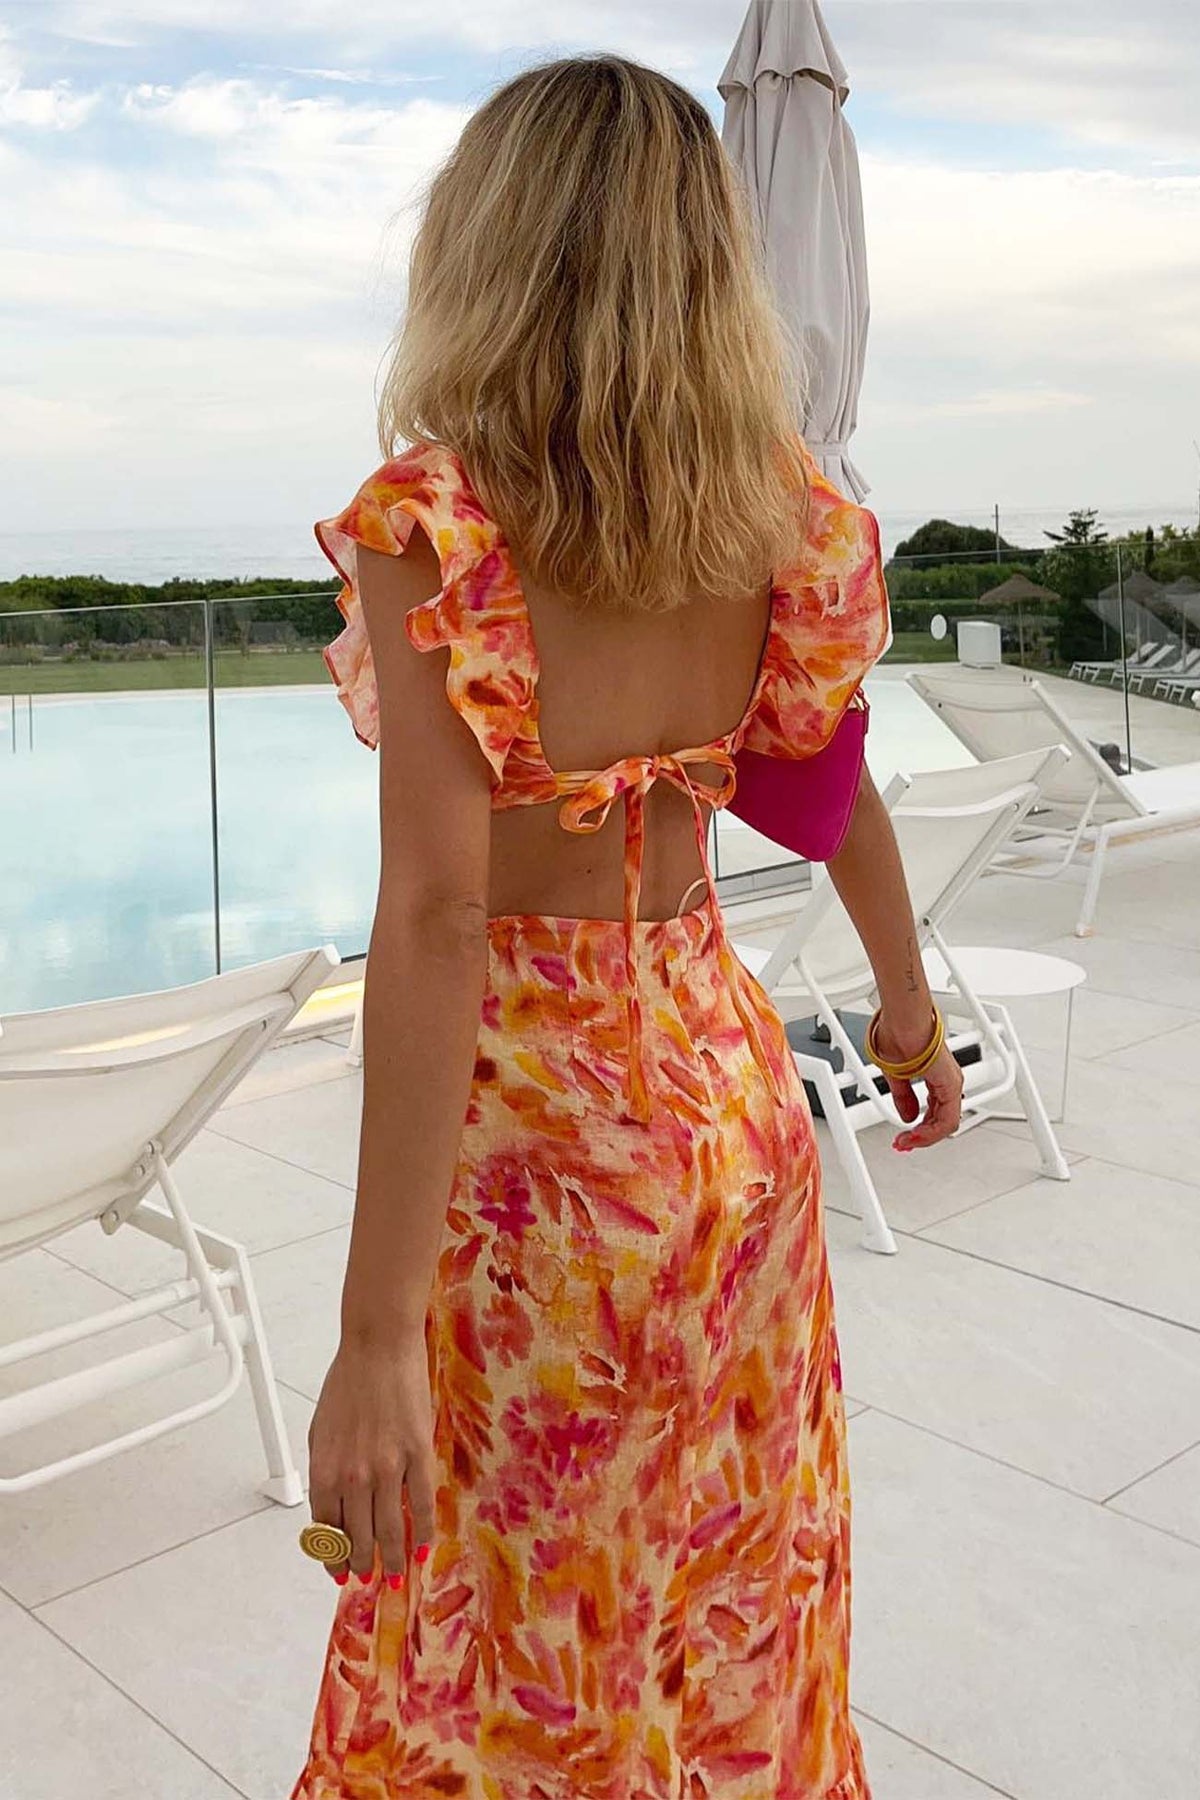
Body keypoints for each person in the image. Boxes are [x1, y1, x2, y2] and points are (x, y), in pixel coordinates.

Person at [288, 52, 962, 1800]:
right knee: (721, 1590)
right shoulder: (787, 515)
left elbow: (441, 916)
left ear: (485, 244)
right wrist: (905, 1009)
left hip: (539, 1162)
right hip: (732, 1123)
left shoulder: (438, 524)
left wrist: (374, 1339)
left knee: (512, 1637)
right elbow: (831, 793)